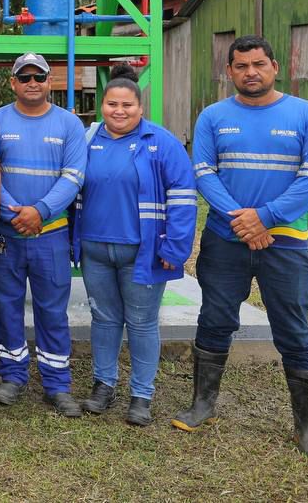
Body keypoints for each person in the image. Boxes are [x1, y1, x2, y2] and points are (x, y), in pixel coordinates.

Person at [173, 35, 308, 466]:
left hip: (286, 244)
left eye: (259, 64)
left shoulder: (307, 115)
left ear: (275, 66)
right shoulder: (213, 116)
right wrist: (244, 221)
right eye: (241, 65)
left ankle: (307, 428)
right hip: (226, 241)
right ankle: (203, 404)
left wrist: (266, 218)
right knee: (214, 319)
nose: (251, 72)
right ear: (230, 72)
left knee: (294, 330)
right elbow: (204, 172)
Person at [74, 65, 196, 426]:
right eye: (112, 104)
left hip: (143, 252)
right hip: (96, 249)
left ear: (140, 108)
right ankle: (104, 384)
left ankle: (141, 395)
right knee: (104, 318)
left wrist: (175, 249)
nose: (119, 111)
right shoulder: (88, 141)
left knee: (142, 324)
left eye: (127, 105)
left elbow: (184, 197)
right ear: (103, 106)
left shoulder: (161, 143)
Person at [0, 52, 87, 415]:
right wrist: (15, 213)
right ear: (12, 82)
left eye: (39, 77)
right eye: (24, 77)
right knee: (7, 306)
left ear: (50, 82)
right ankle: (12, 376)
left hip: (51, 234)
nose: (32, 83)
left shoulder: (69, 125)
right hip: (7, 234)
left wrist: (40, 212)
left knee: (52, 310)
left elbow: (74, 176)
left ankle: (57, 384)